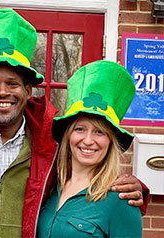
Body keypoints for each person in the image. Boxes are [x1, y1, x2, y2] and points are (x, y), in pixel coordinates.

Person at [0, 8, 149, 238]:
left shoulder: (49, 142)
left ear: (27, 90)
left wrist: (136, 188)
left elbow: (90, 172)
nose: (2, 92)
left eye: (13, 84)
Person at [37, 60, 143, 237]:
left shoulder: (122, 200)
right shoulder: (50, 187)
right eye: (80, 129)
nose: (88, 140)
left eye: (99, 132)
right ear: (68, 136)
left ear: (111, 141)